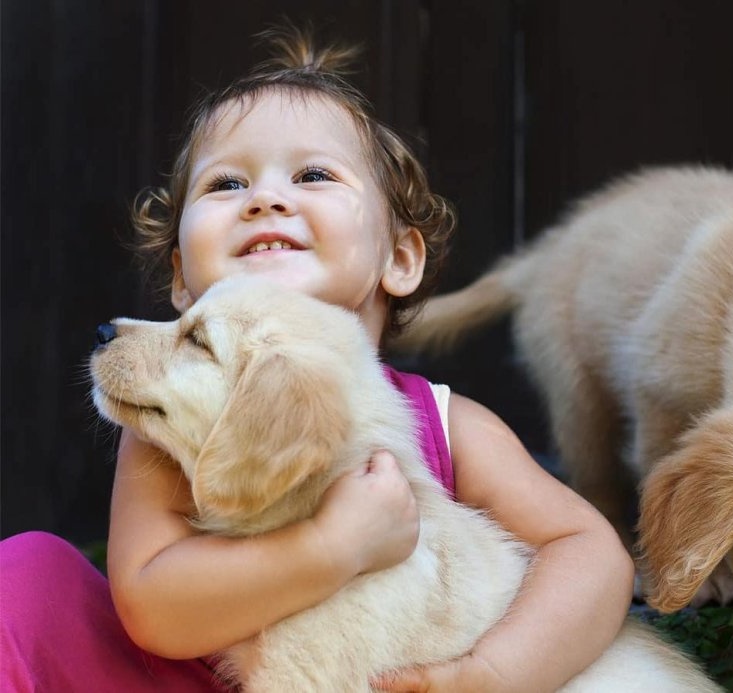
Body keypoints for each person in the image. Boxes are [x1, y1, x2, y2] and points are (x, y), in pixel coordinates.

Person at [0, 25, 634, 693]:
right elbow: (153, 610)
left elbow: (589, 552)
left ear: (400, 257)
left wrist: (495, 671)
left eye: (312, 174)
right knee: (27, 576)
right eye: (226, 183)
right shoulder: (161, 421)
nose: (265, 199)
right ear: (183, 275)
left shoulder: (448, 426)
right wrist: (334, 546)